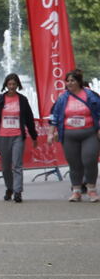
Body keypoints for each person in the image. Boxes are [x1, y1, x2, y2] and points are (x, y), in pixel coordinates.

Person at [48, 69, 100, 202]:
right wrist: (51, 132)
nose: (69, 83)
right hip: (69, 135)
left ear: (79, 81)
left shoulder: (90, 95)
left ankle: (91, 190)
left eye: (72, 80)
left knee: (89, 161)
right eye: (68, 81)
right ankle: (76, 191)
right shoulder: (63, 98)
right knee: (74, 164)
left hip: (89, 134)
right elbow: (55, 116)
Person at [0, 73, 38, 203]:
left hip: (18, 136)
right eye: (9, 84)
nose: (12, 86)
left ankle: (18, 191)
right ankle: (9, 188)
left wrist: (34, 135)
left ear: (17, 85)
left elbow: (29, 119)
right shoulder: (0, 100)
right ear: (6, 85)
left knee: (17, 165)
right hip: (3, 137)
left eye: (14, 84)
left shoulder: (23, 100)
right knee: (5, 167)